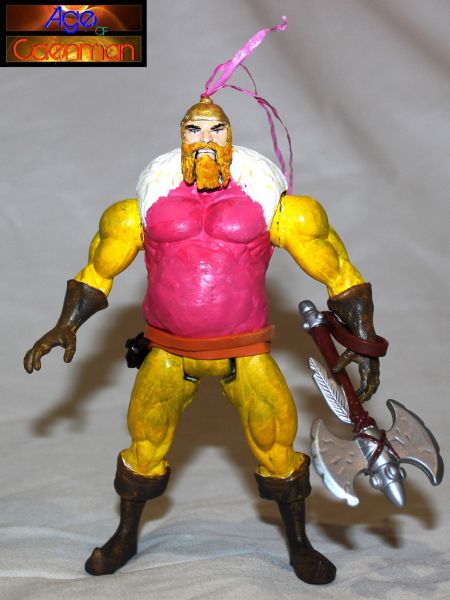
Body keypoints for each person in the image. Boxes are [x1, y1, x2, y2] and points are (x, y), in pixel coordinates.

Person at [24, 96, 380, 585]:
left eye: (217, 129)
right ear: (182, 137)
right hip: (170, 351)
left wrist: (363, 341)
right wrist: (66, 324)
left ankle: (299, 544)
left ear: (231, 137)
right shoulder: (143, 209)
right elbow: (98, 271)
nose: (205, 139)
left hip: (245, 351)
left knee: (277, 447)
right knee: (145, 444)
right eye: (194, 129)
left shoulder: (272, 206)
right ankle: (125, 535)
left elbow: (337, 272)